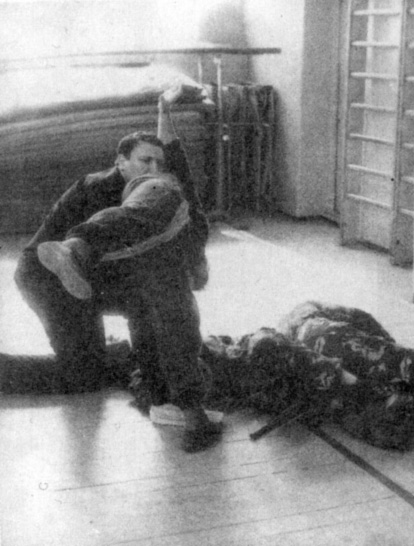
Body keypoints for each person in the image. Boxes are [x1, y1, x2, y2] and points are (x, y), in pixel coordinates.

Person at [14, 85, 222, 452]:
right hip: (47, 276)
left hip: (92, 276)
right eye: (145, 161)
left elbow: (174, 152)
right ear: (121, 162)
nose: (154, 169)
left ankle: (163, 393)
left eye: (159, 164)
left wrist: (164, 107)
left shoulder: (171, 198)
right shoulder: (100, 188)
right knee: (88, 370)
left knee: (93, 366)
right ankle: (76, 250)